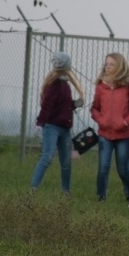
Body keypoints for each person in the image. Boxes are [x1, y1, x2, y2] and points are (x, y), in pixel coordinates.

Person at [29, 51, 84, 196]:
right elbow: (47, 105)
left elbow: (63, 105)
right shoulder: (54, 84)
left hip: (64, 129)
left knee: (66, 162)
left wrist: (75, 104)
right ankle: (33, 188)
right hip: (52, 127)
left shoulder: (64, 84)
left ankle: (66, 191)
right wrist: (40, 123)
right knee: (47, 157)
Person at [90, 53, 129, 202]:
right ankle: (101, 197)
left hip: (124, 136)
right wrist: (101, 120)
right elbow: (94, 108)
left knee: (123, 170)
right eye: (106, 64)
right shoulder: (100, 86)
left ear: (119, 66)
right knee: (103, 168)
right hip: (105, 134)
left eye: (111, 64)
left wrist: (125, 122)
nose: (108, 67)